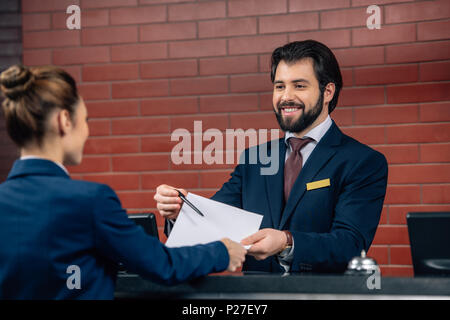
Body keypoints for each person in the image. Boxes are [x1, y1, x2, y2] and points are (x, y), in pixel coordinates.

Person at [0, 65, 246, 299]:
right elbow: (161, 265)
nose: (86, 131)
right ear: (65, 120)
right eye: (85, 120)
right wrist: (222, 251)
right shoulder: (89, 201)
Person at [154, 40, 388, 273]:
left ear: (328, 91)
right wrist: (180, 212)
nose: (286, 97)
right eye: (279, 86)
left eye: (299, 86)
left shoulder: (362, 162)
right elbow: (215, 221)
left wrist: (287, 242)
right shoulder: (254, 159)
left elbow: (350, 244)